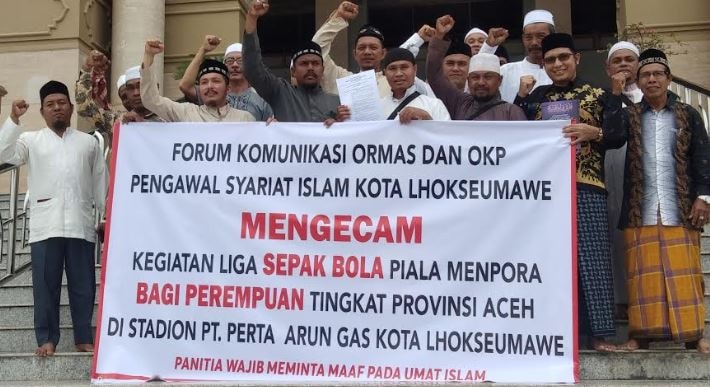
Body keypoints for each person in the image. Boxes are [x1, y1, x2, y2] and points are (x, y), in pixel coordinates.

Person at [516, 33, 625, 352]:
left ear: (576, 58)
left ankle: (600, 334)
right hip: (545, 192)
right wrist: (520, 100)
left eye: (564, 57)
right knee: (550, 263)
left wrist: (596, 132)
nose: (557, 64)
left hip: (587, 185)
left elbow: (618, 135)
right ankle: (559, 332)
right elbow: (513, 137)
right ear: (543, 64)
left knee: (592, 260)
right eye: (550, 59)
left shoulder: (600, 94)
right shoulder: (534, 97)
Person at [0, 81, 108, 357]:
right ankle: (47, 339)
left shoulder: (88, 142)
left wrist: (105, 216)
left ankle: (84, 337)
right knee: (45, 287)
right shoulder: (30, 140)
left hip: (80, 223)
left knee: (83, 286)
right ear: (42, 111)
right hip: (45, 226)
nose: (57, 108)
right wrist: (13, 120)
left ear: (71, 107)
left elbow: (100, 182)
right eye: (50, 104)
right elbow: (3, 154)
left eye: (62, 103)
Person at [616, 49, 710, 354]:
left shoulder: (688, 114)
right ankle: (640, 335)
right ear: (638, 82)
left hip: (680, 207)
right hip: (639, 208)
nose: (652, 79)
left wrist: (704, 197)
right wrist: (615, 93)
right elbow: (611, 135)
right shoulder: (629, 116)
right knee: (643, 277)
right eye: (646, 75)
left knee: (686, 275)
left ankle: (694, 336)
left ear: (668, 79)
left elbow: (702, 157)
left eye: (658, 74)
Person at [242, 0, 341, 122]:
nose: (310, 67)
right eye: (304, 63)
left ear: (323, 69)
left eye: (315, 63)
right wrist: (252, 18)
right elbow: (253, 69)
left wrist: (339, 123)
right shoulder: (280, 93)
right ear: (293, 71)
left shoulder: (338, 103)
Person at [312, 1, 434, 97]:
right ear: (354, 54)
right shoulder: (342, 79)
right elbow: (317, 49)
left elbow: (400, 57)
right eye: (362, 48)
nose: (367, 52)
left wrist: (418, 38)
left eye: (373, 47)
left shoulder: (395, 80)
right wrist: (339, 18)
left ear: (383, 54)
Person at [603, 41, 643, 319]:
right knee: (614, 229)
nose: (624, 65)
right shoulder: (601, 97)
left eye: (629, 59)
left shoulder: (655, 96)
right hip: (611, 166)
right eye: (617, 61)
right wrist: (616, 94)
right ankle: (619, 300)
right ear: (608, 68)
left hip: (646, 172)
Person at [426, 15, 526, 121]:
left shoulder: (511, 112)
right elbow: (434, 74)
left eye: (488, 77)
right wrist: (439, 36)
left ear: (500, 81)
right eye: (475, 77)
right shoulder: (460, 103)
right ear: (468, 81)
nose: (481, 82)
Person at [140, 39, 255, 123]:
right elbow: (151, 100)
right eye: (204, 82)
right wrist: (148, 57)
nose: (209, 86)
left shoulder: (245, 118)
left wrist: (272, 127)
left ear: (228, 88)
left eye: (216, 81)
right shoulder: (186, 113)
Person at [178, 35, 273, 121]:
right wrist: (203, 50)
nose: (235, 65)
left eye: (240, 61)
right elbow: (185, 86)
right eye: (230, 61)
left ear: (248, 64)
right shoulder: (212, 92)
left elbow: (270, 130)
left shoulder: (261, 98)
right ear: (224, 65)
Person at [479, 10, 555, 103]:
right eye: (528, 37)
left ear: (552, 37)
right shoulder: (506, 71)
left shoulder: (561, 72)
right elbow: (475, 79)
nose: (534, 42)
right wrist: (489, 47)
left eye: (540, 36)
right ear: (523, 39)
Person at [380, 48, 450, 123]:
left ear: (414, 69)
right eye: (392, 68)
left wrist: (427, 119)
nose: (398, 73)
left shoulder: (434, 105)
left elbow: (447, 133)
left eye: (404, 67)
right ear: (385, 73)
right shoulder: (378, 107)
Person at [76, 50, 129, 137]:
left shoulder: (159, 116)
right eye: (124, 97)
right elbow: (85, 107)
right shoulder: (118, 121)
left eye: (138, 89)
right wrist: (88, 67)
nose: (135, 94)